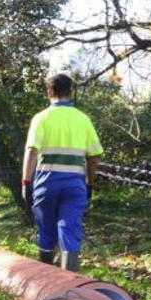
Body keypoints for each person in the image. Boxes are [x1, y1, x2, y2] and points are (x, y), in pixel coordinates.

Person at [21, 73, 103, 272]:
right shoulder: (83, 119)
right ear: (71, 92)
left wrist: (25, 181)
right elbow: (93, 156)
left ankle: (47, 280)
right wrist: (90, 184)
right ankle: (69, 281)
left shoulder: (41, 118)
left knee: (46, 231)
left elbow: (31, 150)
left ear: (49, 92)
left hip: (46, 183)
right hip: (74, 185)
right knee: (70, 229)